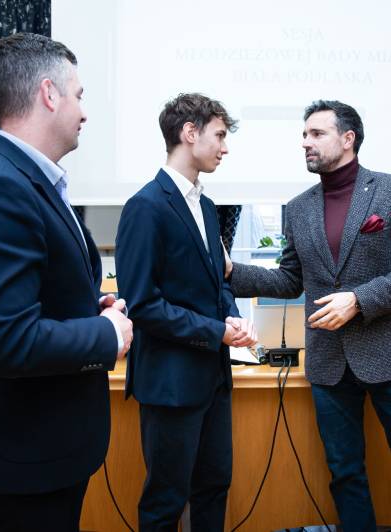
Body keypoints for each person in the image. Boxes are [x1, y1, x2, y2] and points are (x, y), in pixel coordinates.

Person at [0, 32, 133, 530]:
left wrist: (89, 306)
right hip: (22, 455)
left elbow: (35, 294)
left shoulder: (21, 180)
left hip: (38, 447)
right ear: (49, 93)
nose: (84, 112)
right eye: (79, 95)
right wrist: (106, 334)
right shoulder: (0, 188)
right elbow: (9, 340)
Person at [224, 100, 391, 531]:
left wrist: (358, 300)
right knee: (345, 475)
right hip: (329, 364)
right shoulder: (298, 207)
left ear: (348, 139)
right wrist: (232, 272)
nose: (305, 142)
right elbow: (290, 280)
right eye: (304, 135)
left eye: (316, 134)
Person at [115, 93, 257, 531]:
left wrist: (230, 316)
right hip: (170, 383)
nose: (225, 148)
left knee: (214, 487)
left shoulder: (208, 208)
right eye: (220, 136)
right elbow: (142, 304)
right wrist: (216, 331)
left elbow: (218, 283)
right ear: (190, 133)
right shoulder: (145, 206)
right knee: (166, 500)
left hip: (213, 378)